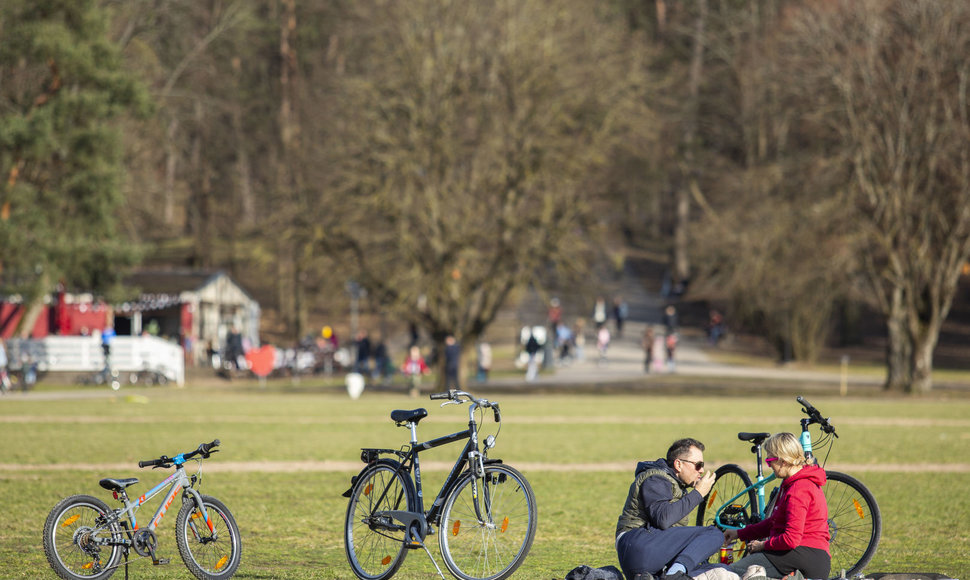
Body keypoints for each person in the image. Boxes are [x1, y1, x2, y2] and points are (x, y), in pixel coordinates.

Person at [724, 433, 830, 580]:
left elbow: (791, 539)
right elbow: (774, 522)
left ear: (783, 460)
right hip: (807, 554)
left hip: (804, 555)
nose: (769, 466)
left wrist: (762, 546)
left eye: (770, 460)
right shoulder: (791, 483)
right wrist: (740, 534)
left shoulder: (798, 490)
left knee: (728, 573)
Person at [615, 438, 725, 580]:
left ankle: (663, 576)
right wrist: (698, 494)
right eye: (698, 465)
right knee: (713, 534)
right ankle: (674, 575)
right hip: (636, 544)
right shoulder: (656, 479)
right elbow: (663, 519)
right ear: (678, 464)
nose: (702, 470)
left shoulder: (675, 484)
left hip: (650, 552)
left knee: (718, 569)